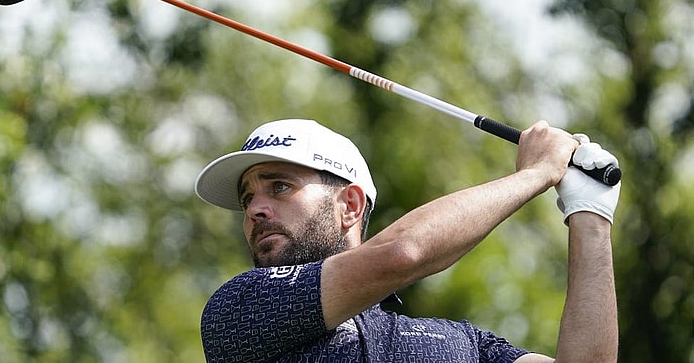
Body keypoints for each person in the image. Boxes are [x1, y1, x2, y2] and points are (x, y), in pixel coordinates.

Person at [194, 118, 621, 362]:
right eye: (248, 197)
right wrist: (536, 174)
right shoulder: (238, 309)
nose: (255, 209)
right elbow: (401, 254)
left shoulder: (457, 344)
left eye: (280, 187)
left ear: (350, 206)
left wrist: (591, 214)